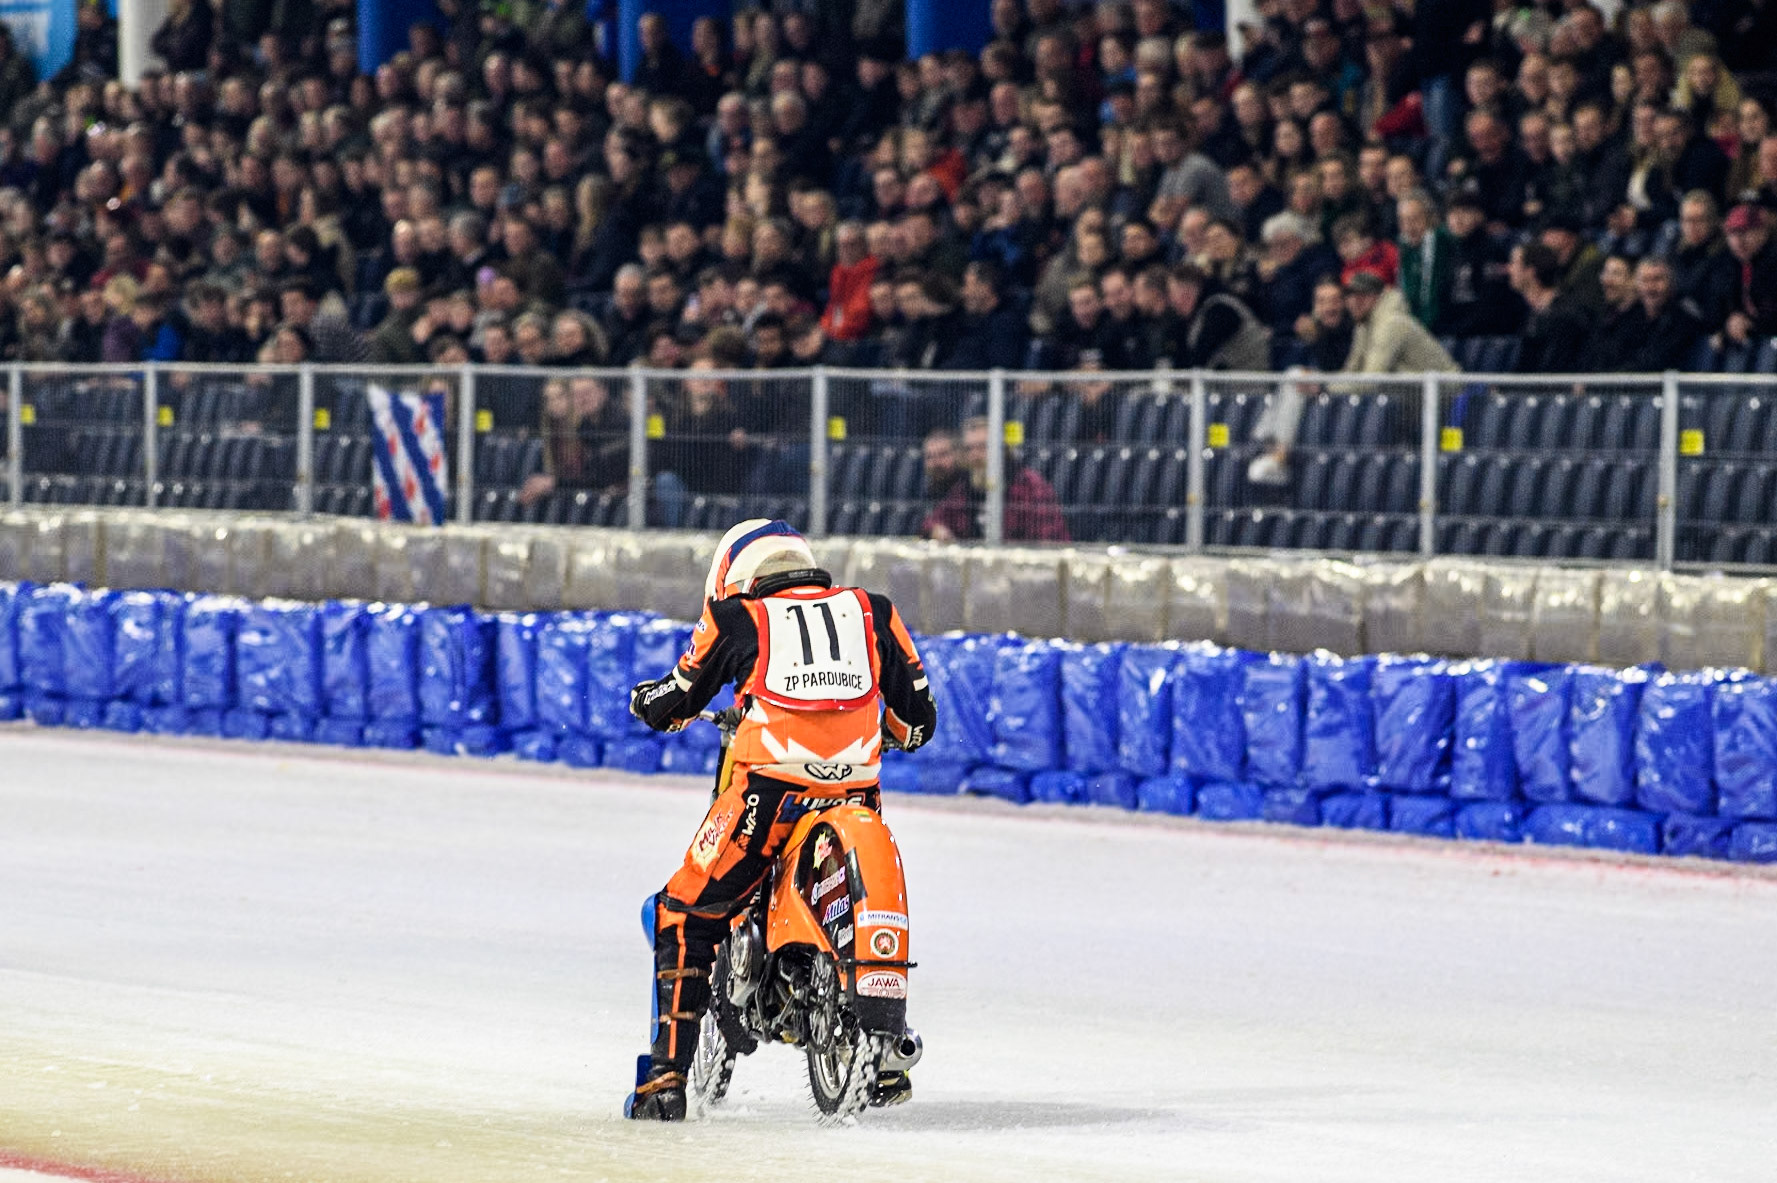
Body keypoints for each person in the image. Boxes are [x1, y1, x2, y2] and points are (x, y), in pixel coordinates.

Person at [624, 520, 938, 1121]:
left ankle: (662, 1081)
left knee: (684, 914)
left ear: (733, 578)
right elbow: (919, 720)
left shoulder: (735, 618)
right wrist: (886, 733)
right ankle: (878, 1029)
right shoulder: (873, 611)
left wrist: (646, 701)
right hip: (855, 795)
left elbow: (678, 698)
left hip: (767, 797)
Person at [922, 416, 1069, 543]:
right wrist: (936, 529)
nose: (975, 455)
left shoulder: (1030, 486)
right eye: (969, 449)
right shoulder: (965, 486)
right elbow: (934, 520)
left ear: (1002, 449)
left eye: (983, 447)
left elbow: (1049, 542)